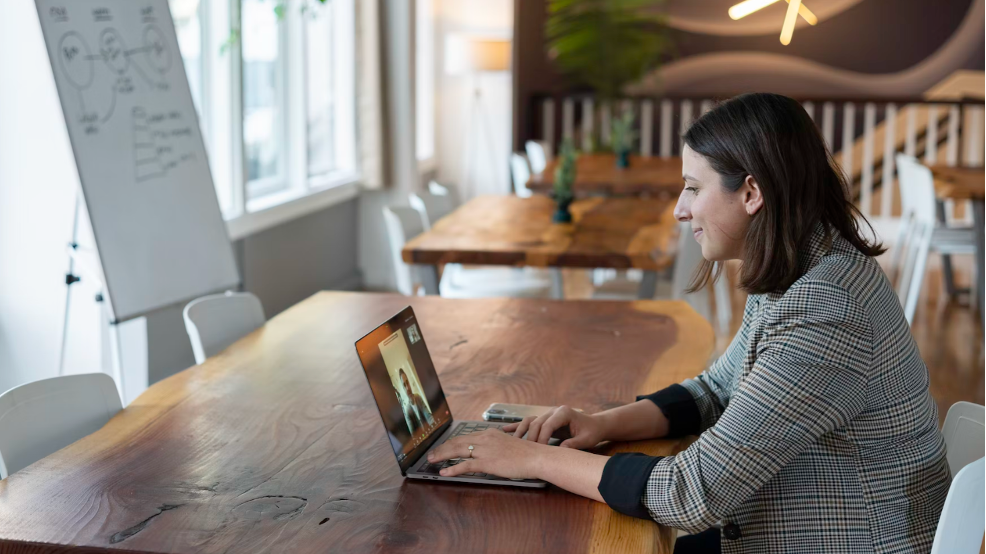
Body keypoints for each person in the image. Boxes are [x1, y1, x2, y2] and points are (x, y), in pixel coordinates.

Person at [426, 93, 951, 554]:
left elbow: (691, 493)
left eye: (692, 188)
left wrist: (530, 461)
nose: (680, 210)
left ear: (751, 193)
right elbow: (715, 390)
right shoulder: (805, 268)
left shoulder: (829, 308)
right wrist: (600, 423)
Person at [398, 367, 432, 435]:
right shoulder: (407, 411)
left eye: (407, 383)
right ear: (403, 388)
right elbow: (413, 434)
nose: (407, 388)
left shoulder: (418, 397)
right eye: (404, 385)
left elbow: (428, 416)